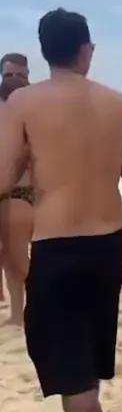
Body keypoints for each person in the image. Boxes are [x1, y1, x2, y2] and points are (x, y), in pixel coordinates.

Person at [0, 8, 122, 412]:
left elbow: (2, 176)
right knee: (84, 357)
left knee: (71, 371)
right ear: (87, 50)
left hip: (57, 244)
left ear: (44, 52)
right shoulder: (117, 105)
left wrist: (32, 181)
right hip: (108, 240)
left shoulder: (23, 103)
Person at [0, 72, 34, 325]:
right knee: (12, 261)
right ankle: (16, 314)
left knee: (19, 261)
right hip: (28, 194)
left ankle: (43, 308)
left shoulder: (12, 123)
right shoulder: (32, 120)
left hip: (13, 194)